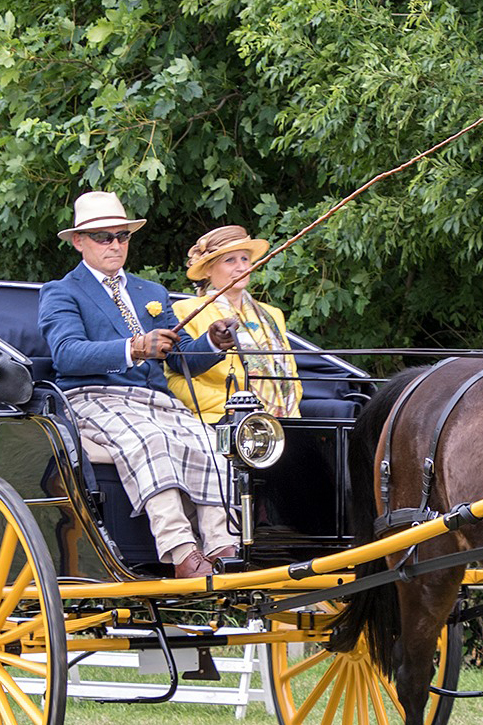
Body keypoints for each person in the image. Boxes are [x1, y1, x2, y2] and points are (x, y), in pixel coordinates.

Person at [38, 191, 242, 578]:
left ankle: (222, 545)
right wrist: (133, 347)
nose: (115, 245)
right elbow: (66, 354)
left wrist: (213, 342)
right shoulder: (61, 292)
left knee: (213, 442)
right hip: (94, 397)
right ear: (79, 241)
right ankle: (182, 551)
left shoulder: (151, 293)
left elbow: (180, 361)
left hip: (155, 401)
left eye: (122, 236)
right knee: (151, 439)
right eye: (103, 237)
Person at [165, 225, 302, 422]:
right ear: (207, 270)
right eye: (230, 260)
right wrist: (238, 408)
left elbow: (292, 375)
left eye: (245, 259)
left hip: (283, 420)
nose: (242, 267)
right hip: (221, 420)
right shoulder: (186, 311)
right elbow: (176, 381)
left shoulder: (273, 314)